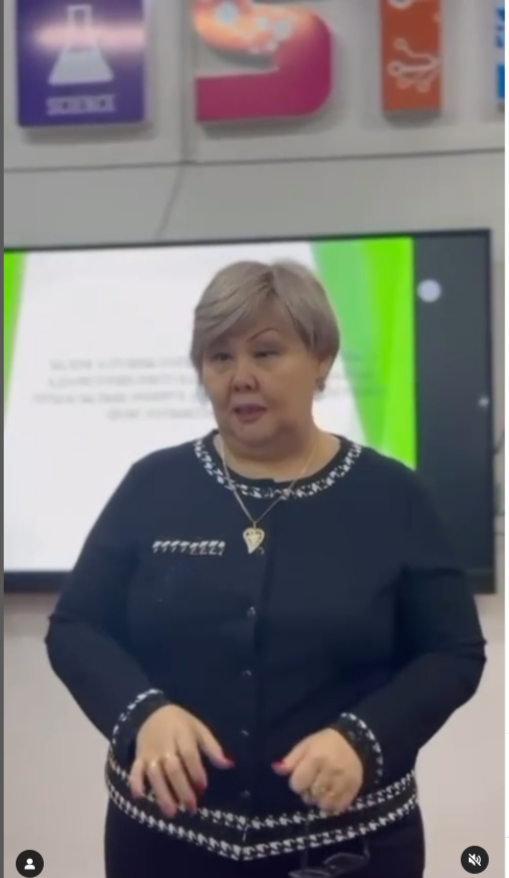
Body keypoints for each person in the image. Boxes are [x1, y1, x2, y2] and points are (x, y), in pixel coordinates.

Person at [46, 260, 486, 878]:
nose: (241, 377)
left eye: (266, 352)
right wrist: (142, 713)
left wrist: (365, 737)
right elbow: (76, 628)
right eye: (220, 357)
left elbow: (452, 653)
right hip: (164, 845)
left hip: (346, 848)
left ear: (321, 359)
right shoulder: (153, 485)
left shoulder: (394, 496)